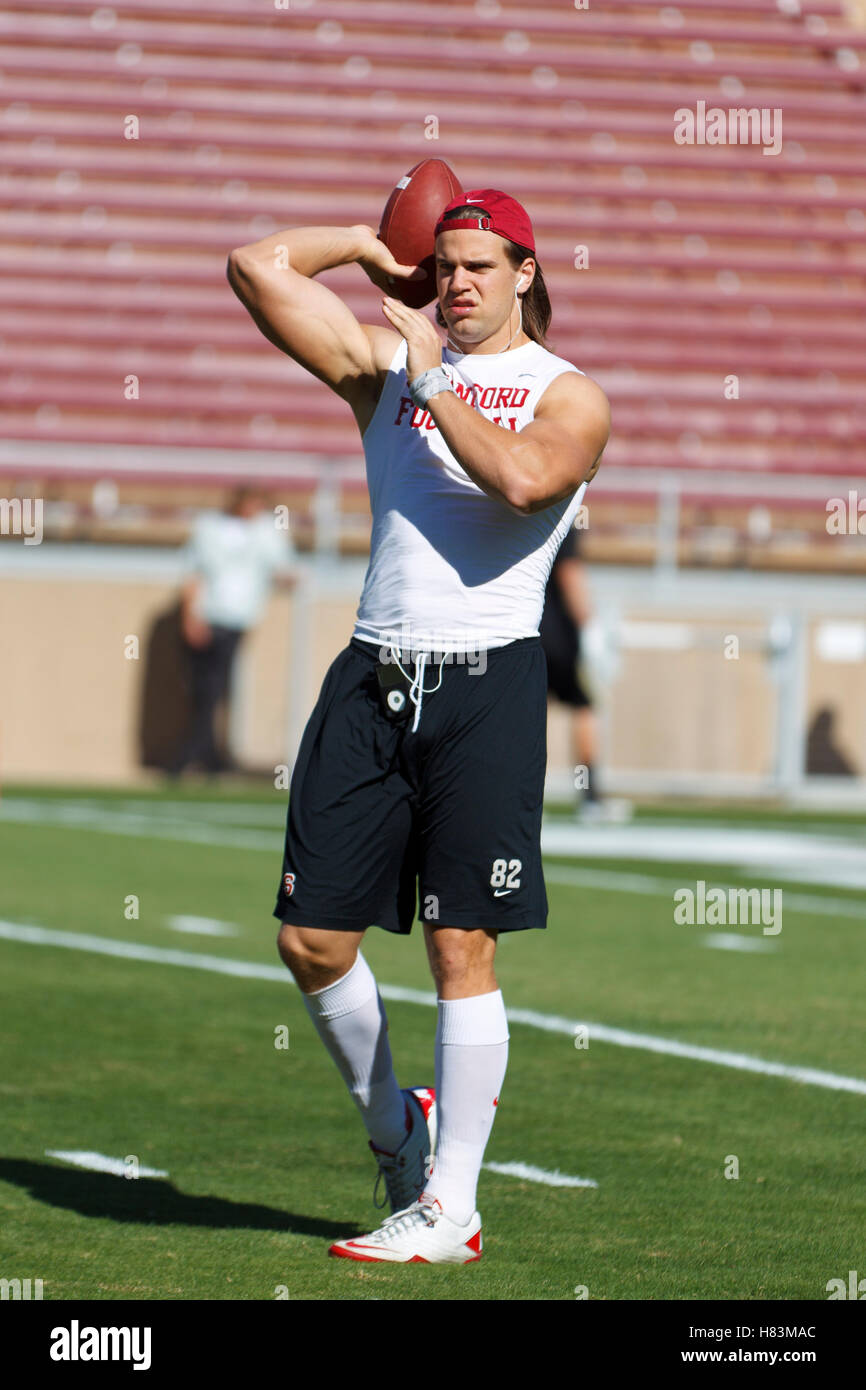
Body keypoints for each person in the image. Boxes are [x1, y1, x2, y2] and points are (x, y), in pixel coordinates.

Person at [227, 189, 609, 1263]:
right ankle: (397, 1132)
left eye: (480, 265)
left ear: (525, 273)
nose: (457, 283)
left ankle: (449, 1207)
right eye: (443, 265)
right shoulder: (386, 364)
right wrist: (358, 246)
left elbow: (525, 481)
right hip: (371, 672)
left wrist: (434, 377)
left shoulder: (567, 394)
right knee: (308, 938)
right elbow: (255, 268)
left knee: (459, 943)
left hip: (485, 681)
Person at [170, 487, 292, 776]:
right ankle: (202, 754)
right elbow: (193, 574)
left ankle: (204, 755)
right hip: (208, 617)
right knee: (203, 689)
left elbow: (284, 567)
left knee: (216, 688)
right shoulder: (210, 528)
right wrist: (191, 616)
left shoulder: (265, 533)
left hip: (236, 621)